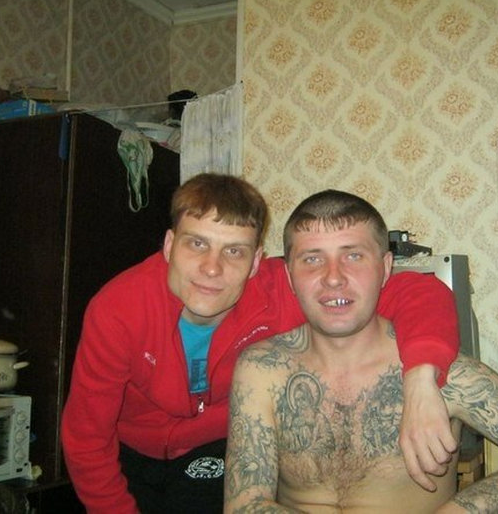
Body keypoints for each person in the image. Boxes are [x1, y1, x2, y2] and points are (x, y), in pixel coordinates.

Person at [61, 174, 460, 514]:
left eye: (234, 251)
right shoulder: (117, 309)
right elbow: (86, 438)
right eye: (196, 244)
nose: (212, 268)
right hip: (126, 452)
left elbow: (419, 292)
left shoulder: (280, 291)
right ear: (168, 246)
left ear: (255, 262)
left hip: (213, 450)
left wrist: (420, 380)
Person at [224, 189, 498, 513]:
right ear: (290, 276)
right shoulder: (263, 370)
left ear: (385, 268)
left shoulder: (441, 375)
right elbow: (244, 504)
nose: (333, 278)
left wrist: (465, 509)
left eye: (353, 255)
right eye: (312, 259)